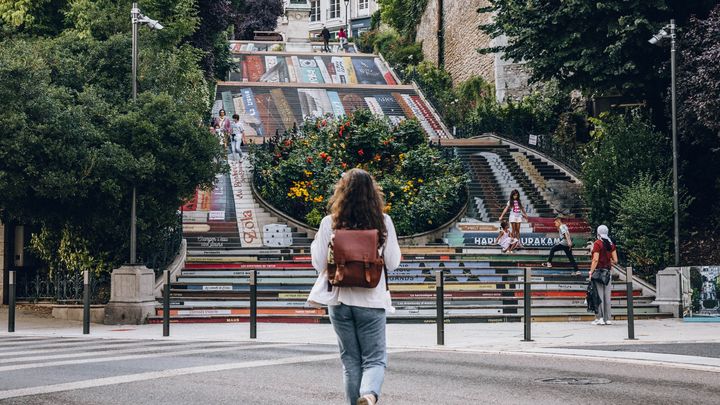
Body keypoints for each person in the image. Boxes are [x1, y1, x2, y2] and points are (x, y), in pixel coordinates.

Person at [307, 169, 401, 405]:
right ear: (373, 193)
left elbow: (318, 264)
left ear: (342, 193)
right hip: (371, 301)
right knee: (375, 360)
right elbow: (393, 262)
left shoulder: (330, 222)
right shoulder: (383, 222)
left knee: (350, 361)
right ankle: (369, 395)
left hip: (339, 301)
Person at [588, 225, 618, 325]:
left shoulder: (597, 243)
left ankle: (600, 318)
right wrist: (608, 261)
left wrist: (591, 271)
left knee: (599, 295)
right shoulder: (611, 244)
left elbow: (595, 259)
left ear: (598, 232)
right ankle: (608, 319)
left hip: (598, 273)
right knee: (607, 296)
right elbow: (616, 260)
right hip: (607, 273)